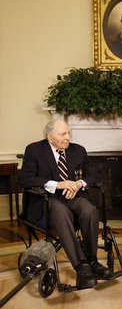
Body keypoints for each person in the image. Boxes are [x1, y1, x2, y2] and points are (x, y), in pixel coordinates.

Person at [19, 119, 111, 289]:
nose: (68, 137)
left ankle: (92, 261)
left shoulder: (78, 151)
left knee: (89, 210)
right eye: (63, 134)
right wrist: (57, 184)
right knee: (59, 209)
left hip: (73, 197)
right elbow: (25, 179)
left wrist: (78, 184)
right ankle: (81, 267)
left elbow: (94, 174)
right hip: (45, 201)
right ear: (50, 136)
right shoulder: (34, 150)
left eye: (69, 133)